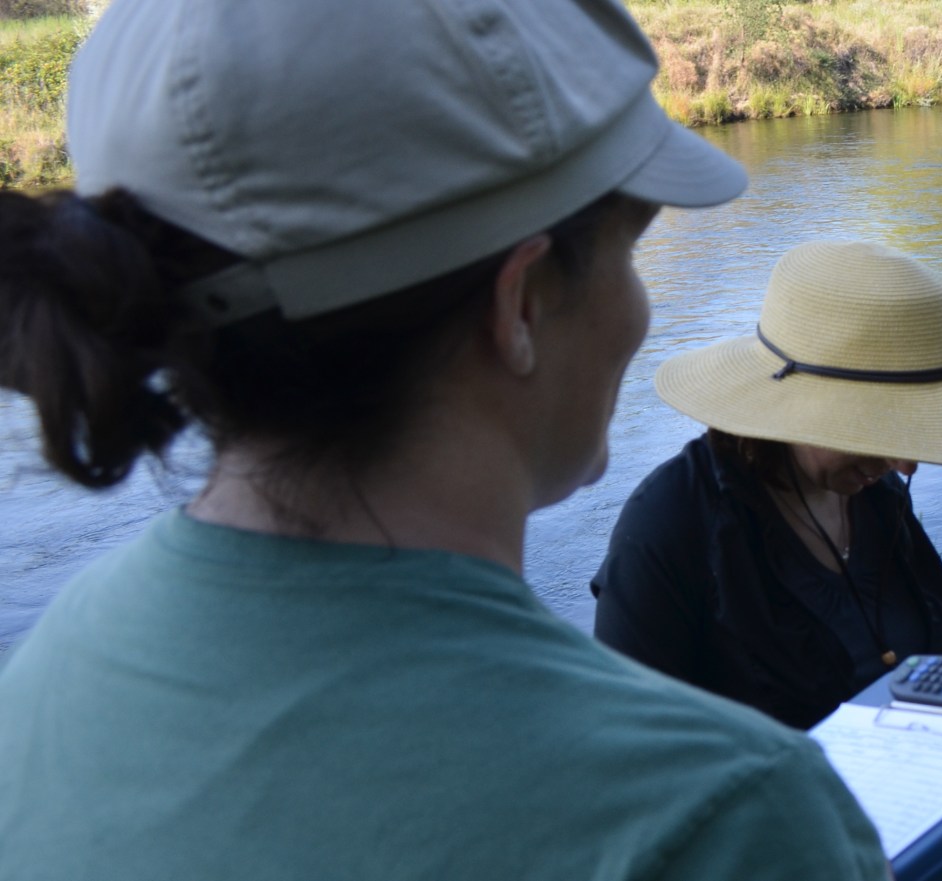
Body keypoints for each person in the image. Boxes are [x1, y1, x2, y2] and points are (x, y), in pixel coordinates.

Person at [0, 3, 889, 879]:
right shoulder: (717, 816)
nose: (638, 308)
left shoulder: (45, 683)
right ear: (521, 303)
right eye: (628, 253)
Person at [592, 240, 942, 730]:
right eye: (883, 431)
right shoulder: (668, 529)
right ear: (800, 410)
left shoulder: (873, 495)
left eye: (915, 431)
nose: (904, 464)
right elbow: (626, 748)